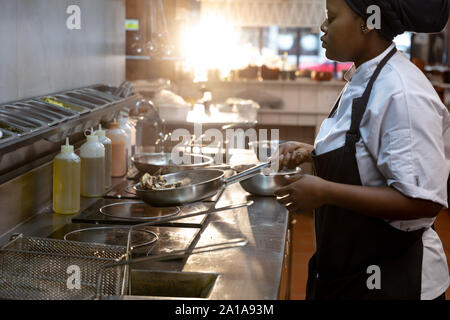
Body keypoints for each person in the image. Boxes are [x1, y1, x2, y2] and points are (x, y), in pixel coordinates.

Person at [273, 0, 450, 300]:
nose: (323, 27)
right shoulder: (366, 77)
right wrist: (314, 154)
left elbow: (423, 202)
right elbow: (367, 154)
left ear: (368, 21)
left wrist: (325, 192)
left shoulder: (401, 92)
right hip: (352, 274)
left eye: (331, 17)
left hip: (397, 282)